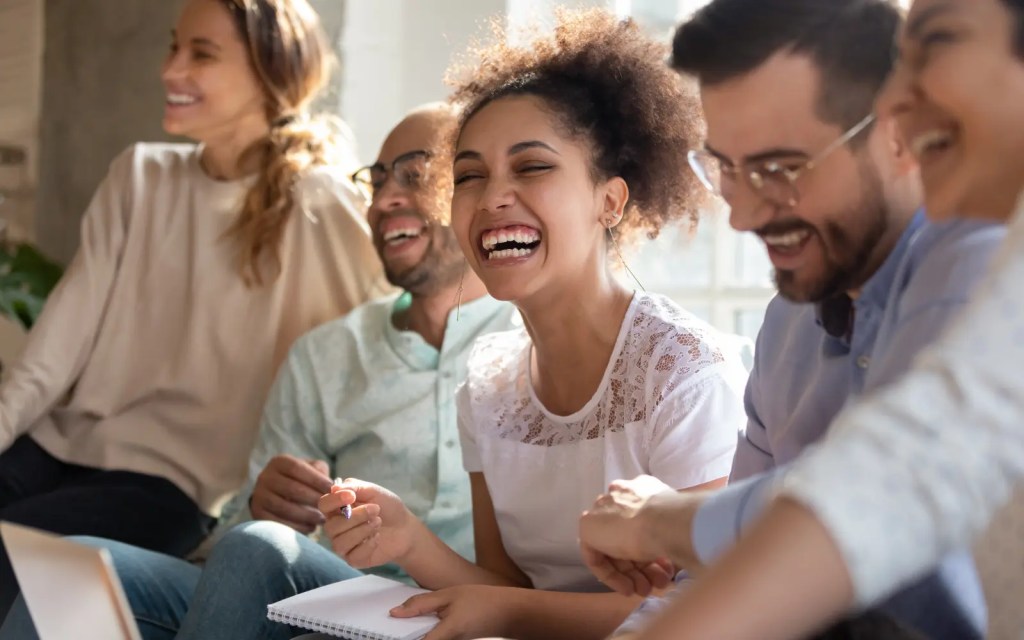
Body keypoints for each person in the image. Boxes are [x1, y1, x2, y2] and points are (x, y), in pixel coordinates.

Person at [576, 1, 1024, 639]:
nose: (742, 216)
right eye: (726, 169)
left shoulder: (980, 257)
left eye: (780, 169)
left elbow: (885, 491)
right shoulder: (788, 325)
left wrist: (659, 520)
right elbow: (725, 570)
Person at [0, 104, 518, 640]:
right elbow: (235, 533)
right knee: (80, 567)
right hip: (330, 588)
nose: (384, 200)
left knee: (260, 551)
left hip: (451, 608)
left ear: (475, 192)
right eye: (378, 178)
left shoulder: (530, 344)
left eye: (415, 176)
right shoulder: (327, 353)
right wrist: (261, 505)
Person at [318, 9, 748, 640]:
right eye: (469, 176)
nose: (492, 196)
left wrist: (511, 612)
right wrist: (408, 539)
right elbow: (509, 587)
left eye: (532, 167)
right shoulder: (488, 385)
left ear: (610, 200)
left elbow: (715, 610)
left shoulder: (684, 373)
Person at [0, 0, 388, 618]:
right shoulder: (138, 176)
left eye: (200, 54)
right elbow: (54, 350)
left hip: (174, 489)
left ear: (270, 69)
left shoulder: (319, 204)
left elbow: (381, 341)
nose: (171, 69)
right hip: (53, 448)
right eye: (172, 47)